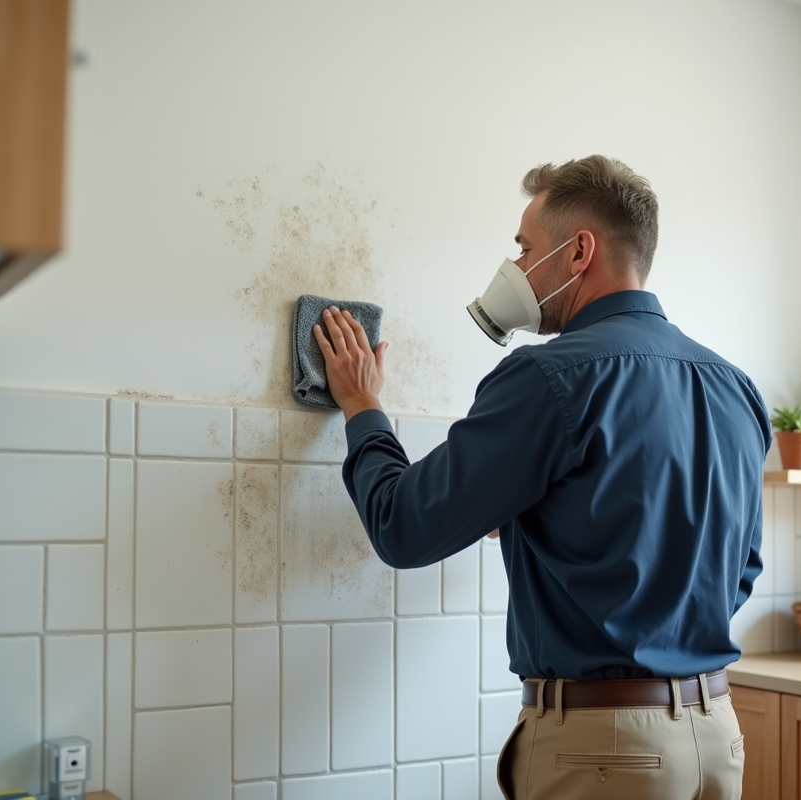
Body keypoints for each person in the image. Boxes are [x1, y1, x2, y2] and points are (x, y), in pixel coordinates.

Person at [313, 155, 771, 800]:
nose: (519, 268)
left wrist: (362, 407)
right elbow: (739, 568)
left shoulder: (550, 375)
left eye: (526, 248)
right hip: (716, 737)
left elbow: (403, 529)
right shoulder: (733, 386)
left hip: (606, 748)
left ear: (579, 250)